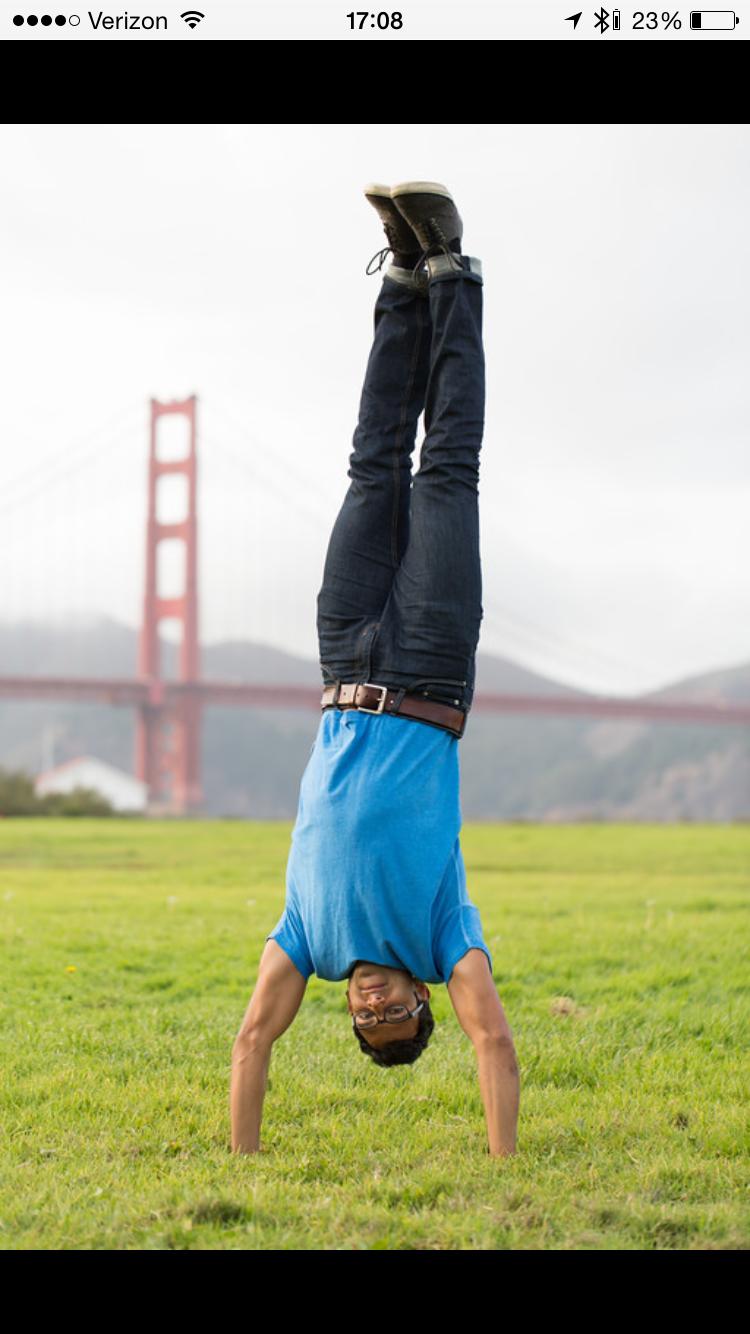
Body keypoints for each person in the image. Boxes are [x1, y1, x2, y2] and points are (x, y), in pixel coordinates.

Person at [231, 182, 519, 1157]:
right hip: (433, 667)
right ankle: (454, 269)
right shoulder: (446, 934)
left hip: (341, 654)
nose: (373, 1002)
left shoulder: (304, 942)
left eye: (366, 1020)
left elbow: (251, 1038)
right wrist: (503, 1166)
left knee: (369, 463)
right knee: (445, 470)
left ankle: (404, 275)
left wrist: (246, 1161)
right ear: (420, 995)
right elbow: (493, 1039)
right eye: (397, 1012)